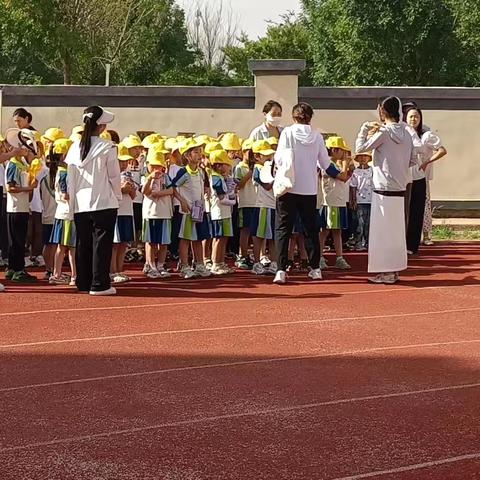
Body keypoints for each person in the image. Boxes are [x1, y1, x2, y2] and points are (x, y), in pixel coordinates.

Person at [273, 103, 348, 285]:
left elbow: (279, 158)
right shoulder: (316, 136)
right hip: (309, 189)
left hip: (288, 188)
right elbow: (324, 162)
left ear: (293, 117)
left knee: (283, 229)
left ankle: (281, 270)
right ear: (310, 117)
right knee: (310, 229)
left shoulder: (287, 133)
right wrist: (339, 174)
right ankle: (315, 269)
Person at [356, 96, 418, 284]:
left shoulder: (384, 133)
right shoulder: (407, 133)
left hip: (383, 189)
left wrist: (364, 129)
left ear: (383, 111)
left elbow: (360, 148)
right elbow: (413, 160)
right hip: (400, 189)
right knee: (396, 233)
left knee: (381, 234)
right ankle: (395, 269)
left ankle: (386, 272)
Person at [66, 106, 121, 296]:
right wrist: (118, 196)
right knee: (102, 243)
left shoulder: (74, 147)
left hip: (81, 203)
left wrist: (72, 204)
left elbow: (70, 180)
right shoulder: (108, 147)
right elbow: (114, 177)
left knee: (84, 242)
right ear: (102, 126)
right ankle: (100, 284)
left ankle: (84, 281)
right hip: (104, 201)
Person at [404, 107, 447, 254]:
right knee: (404, 212)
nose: (413, 119)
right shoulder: (402, 134)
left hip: (419, 178)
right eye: (410, 117)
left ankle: (412, 246)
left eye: (416, 117)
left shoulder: (426, 135)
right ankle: (401, 243)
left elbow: (442, 150)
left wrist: (426, 162)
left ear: (420, 118)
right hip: (403, 178)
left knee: (417, 212)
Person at [171, 138, 212, 279]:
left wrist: (207, 190)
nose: (199, 154)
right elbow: (173, 188)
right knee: (185, 238)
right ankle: (184, 265)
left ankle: (199, 264)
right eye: (196, 152)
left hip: (199, 210)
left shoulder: (201, 171)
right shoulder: (184, 172)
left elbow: (203, 186)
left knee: (199, 238)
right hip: (187, 211)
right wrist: (182, 201)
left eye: (200, 151)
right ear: (187, 156)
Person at [4, 128, 39, 283]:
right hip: (15, 208)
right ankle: (18, 269)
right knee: (17, 240)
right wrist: (29, 188)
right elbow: (10, 187)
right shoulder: (13, 165)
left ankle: (13, 268)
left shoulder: (23, 165)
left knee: (18, 239)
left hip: (22, 208)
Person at [319, 136, 353, 270]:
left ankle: (339, 257)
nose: (344, 154)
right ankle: (319, 257)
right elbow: (342, 176)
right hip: (330, 202)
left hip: (339, 201)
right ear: (334, 150)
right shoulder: (327, 164)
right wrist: (345, 164)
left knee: (337, 231)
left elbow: (345, 178)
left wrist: (349, 168)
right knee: (325, 230)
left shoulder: (337, 164)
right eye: (341, 151)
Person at [141, 143, 174, 279]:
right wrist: (150, 179)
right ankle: (151, 265)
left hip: (165, 212)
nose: (155, 169)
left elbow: (172, 190)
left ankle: (160, 264)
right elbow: (145, 192)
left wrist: (159, 193)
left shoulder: (166, 178)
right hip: (150, 213)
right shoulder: (145, 177)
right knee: (151, 241)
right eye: (152, 166)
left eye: (158, 166)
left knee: (164, 241)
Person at [49, 139, 77, 286]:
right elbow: (66, 195)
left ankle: (57, 273)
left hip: (62, 212)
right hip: (67, 213)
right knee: (71, 247)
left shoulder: (60, 171)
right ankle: (73, 275)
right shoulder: (64, 172)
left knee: (63, 247)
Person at [250, 139, 278, 275]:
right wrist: (275, 176)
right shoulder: (257, 169)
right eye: (265, 155)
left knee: (273, 237)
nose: (269, 157)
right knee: (259, 236)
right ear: (257, 156)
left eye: (270, 154)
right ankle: (256, 263)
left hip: (273, 206)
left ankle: (274, 263)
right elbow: (267, 186)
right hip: (262, 207)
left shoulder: (271, 167)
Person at [111, 143, 137, 283]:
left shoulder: (128, 175)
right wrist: (122, 188)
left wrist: (130, 187)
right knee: (115, 243)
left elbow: (133, 195)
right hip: (116, 211)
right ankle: (112, 271)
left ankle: (120, 270)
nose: (124, 164)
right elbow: (112, 191)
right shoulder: (112, 174)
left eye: (125, 161)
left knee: (123, 243)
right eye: (121, 161)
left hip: (127, 211)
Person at [209, 149, 236, 275]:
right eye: (226, 164)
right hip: (219, 212)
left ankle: (220, 261)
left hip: (225, 213)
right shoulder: (216, 178)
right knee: (219, 238)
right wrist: (232, 202)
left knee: (223, 238)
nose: (228, 167)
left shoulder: (221, 177)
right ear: (218, 165)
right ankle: (216, 263)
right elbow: (221, 198)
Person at [234, 139, 256, 270]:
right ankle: (242, 255)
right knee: (245, 230)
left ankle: (255, 255)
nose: (251, 154)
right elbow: (239, 185)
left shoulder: (256, 166)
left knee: (255, 231)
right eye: (249, 152)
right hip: (245, 202)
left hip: (256, 202)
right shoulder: (239, 167)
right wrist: (250, 173)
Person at [349, 152, 373, 251]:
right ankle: (358, 242)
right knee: (360, 223)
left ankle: (368, 242)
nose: (363, 158)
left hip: (371, 200)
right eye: (360, 157)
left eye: (365, 156)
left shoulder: (372, 170)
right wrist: (353, 199)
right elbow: (353, 186)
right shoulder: (356, 172)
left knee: (369, 223)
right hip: (360, 200)